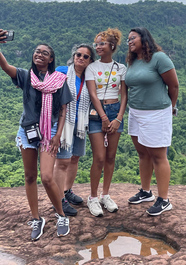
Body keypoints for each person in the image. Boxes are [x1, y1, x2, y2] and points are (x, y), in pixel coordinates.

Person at [0, 29, 73, 240]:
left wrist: (57, 136)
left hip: (50, 131)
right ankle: (37, 219)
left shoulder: (59, 80)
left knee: (47, 176)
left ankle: (61, 215)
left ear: (51, 59)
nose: (39, 54)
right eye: (37, 51)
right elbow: (5, 67)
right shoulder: (26, 76)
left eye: (44, 53)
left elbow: (63, 109)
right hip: (27, 130)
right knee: (30, 176)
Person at [125, 27, 179, 216]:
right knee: (143, 153)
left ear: (144, 39)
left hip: (156, 113)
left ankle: (164, 200)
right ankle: (146, 191)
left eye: (133, 38)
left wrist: (170, 108)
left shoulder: (159, 58)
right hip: (136, 112)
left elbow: (173, 85)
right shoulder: (133, 61)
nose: (129, 41)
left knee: (158, 155)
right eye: (128, 39)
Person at [85, 28, 127, 217]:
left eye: (102, 43)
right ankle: (93, 197)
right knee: (99, 157)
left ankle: (105, 195)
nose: (98, 47)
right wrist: (103, 117)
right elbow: (93, 94)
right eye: (97, 44)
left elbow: (124, 95)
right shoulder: (92, 67)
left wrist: (118, 117)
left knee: (111, 157)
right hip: (96, 112)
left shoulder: (121, 68)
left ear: (112, 45)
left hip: (115, 110)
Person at [54, 44, 96, 216]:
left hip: (80, 125)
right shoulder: (62, 71)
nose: (81, 58)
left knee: (75, 159)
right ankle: (58, 200)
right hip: (64, 124)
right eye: (78, 54)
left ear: (90, 61)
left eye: (86, 56)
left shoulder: (89, 78)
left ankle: (67, 191)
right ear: (73, 56)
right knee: (62, 162)